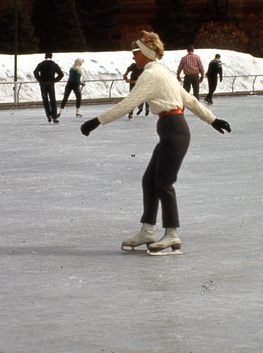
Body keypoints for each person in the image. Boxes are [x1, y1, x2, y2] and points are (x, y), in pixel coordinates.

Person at [81, 31, 231, 254]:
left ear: (146, 53)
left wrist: (97, 121)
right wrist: (212, 119)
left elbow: (130, 102)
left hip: (173, 130)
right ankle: (147, 230)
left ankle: (172, 234)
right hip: (172, 130)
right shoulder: (163, 73)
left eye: (135, 52)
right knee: (149, 180)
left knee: (163, 183)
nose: (133, 57)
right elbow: (189, 99)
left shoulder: (151, 75)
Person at [34, 52, 64, 123]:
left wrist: (40, 80)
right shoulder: (54, 64)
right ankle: (54, 117)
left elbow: (35, 72)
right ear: (51, 57)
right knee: (52, 100)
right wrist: (54, 80)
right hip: (50, 84)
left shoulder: (41, 64)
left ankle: (48, 115)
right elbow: (61, 74)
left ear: (45, 57)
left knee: (45, 100)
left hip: (43, 85)